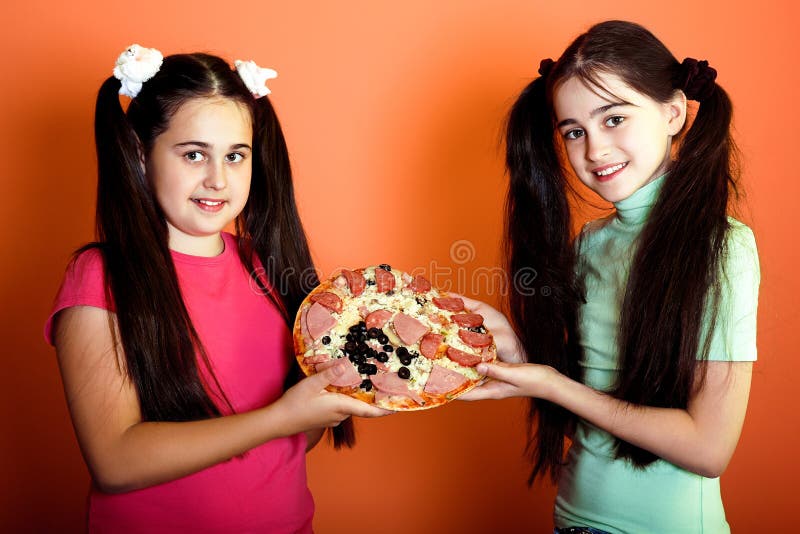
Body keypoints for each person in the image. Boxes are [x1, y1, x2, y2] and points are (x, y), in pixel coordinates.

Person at [44, 45, 387, 533]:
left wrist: (332, 400)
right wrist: (282, 417)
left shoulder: (268, 269)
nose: (218, 179)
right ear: (141, 155)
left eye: (235, 155)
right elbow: (115, 462)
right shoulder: (100, 276)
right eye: (193, 154)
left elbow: (290, 442)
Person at [460, 20, 759, 533]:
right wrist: (522, 359)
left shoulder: (721, 246)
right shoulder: (591, 245)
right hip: (573, 518)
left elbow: (708, 450)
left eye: (614, 118)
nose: (594, 150)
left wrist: (552, 385)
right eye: (574, 132)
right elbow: (597, 416)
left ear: (672, 113)